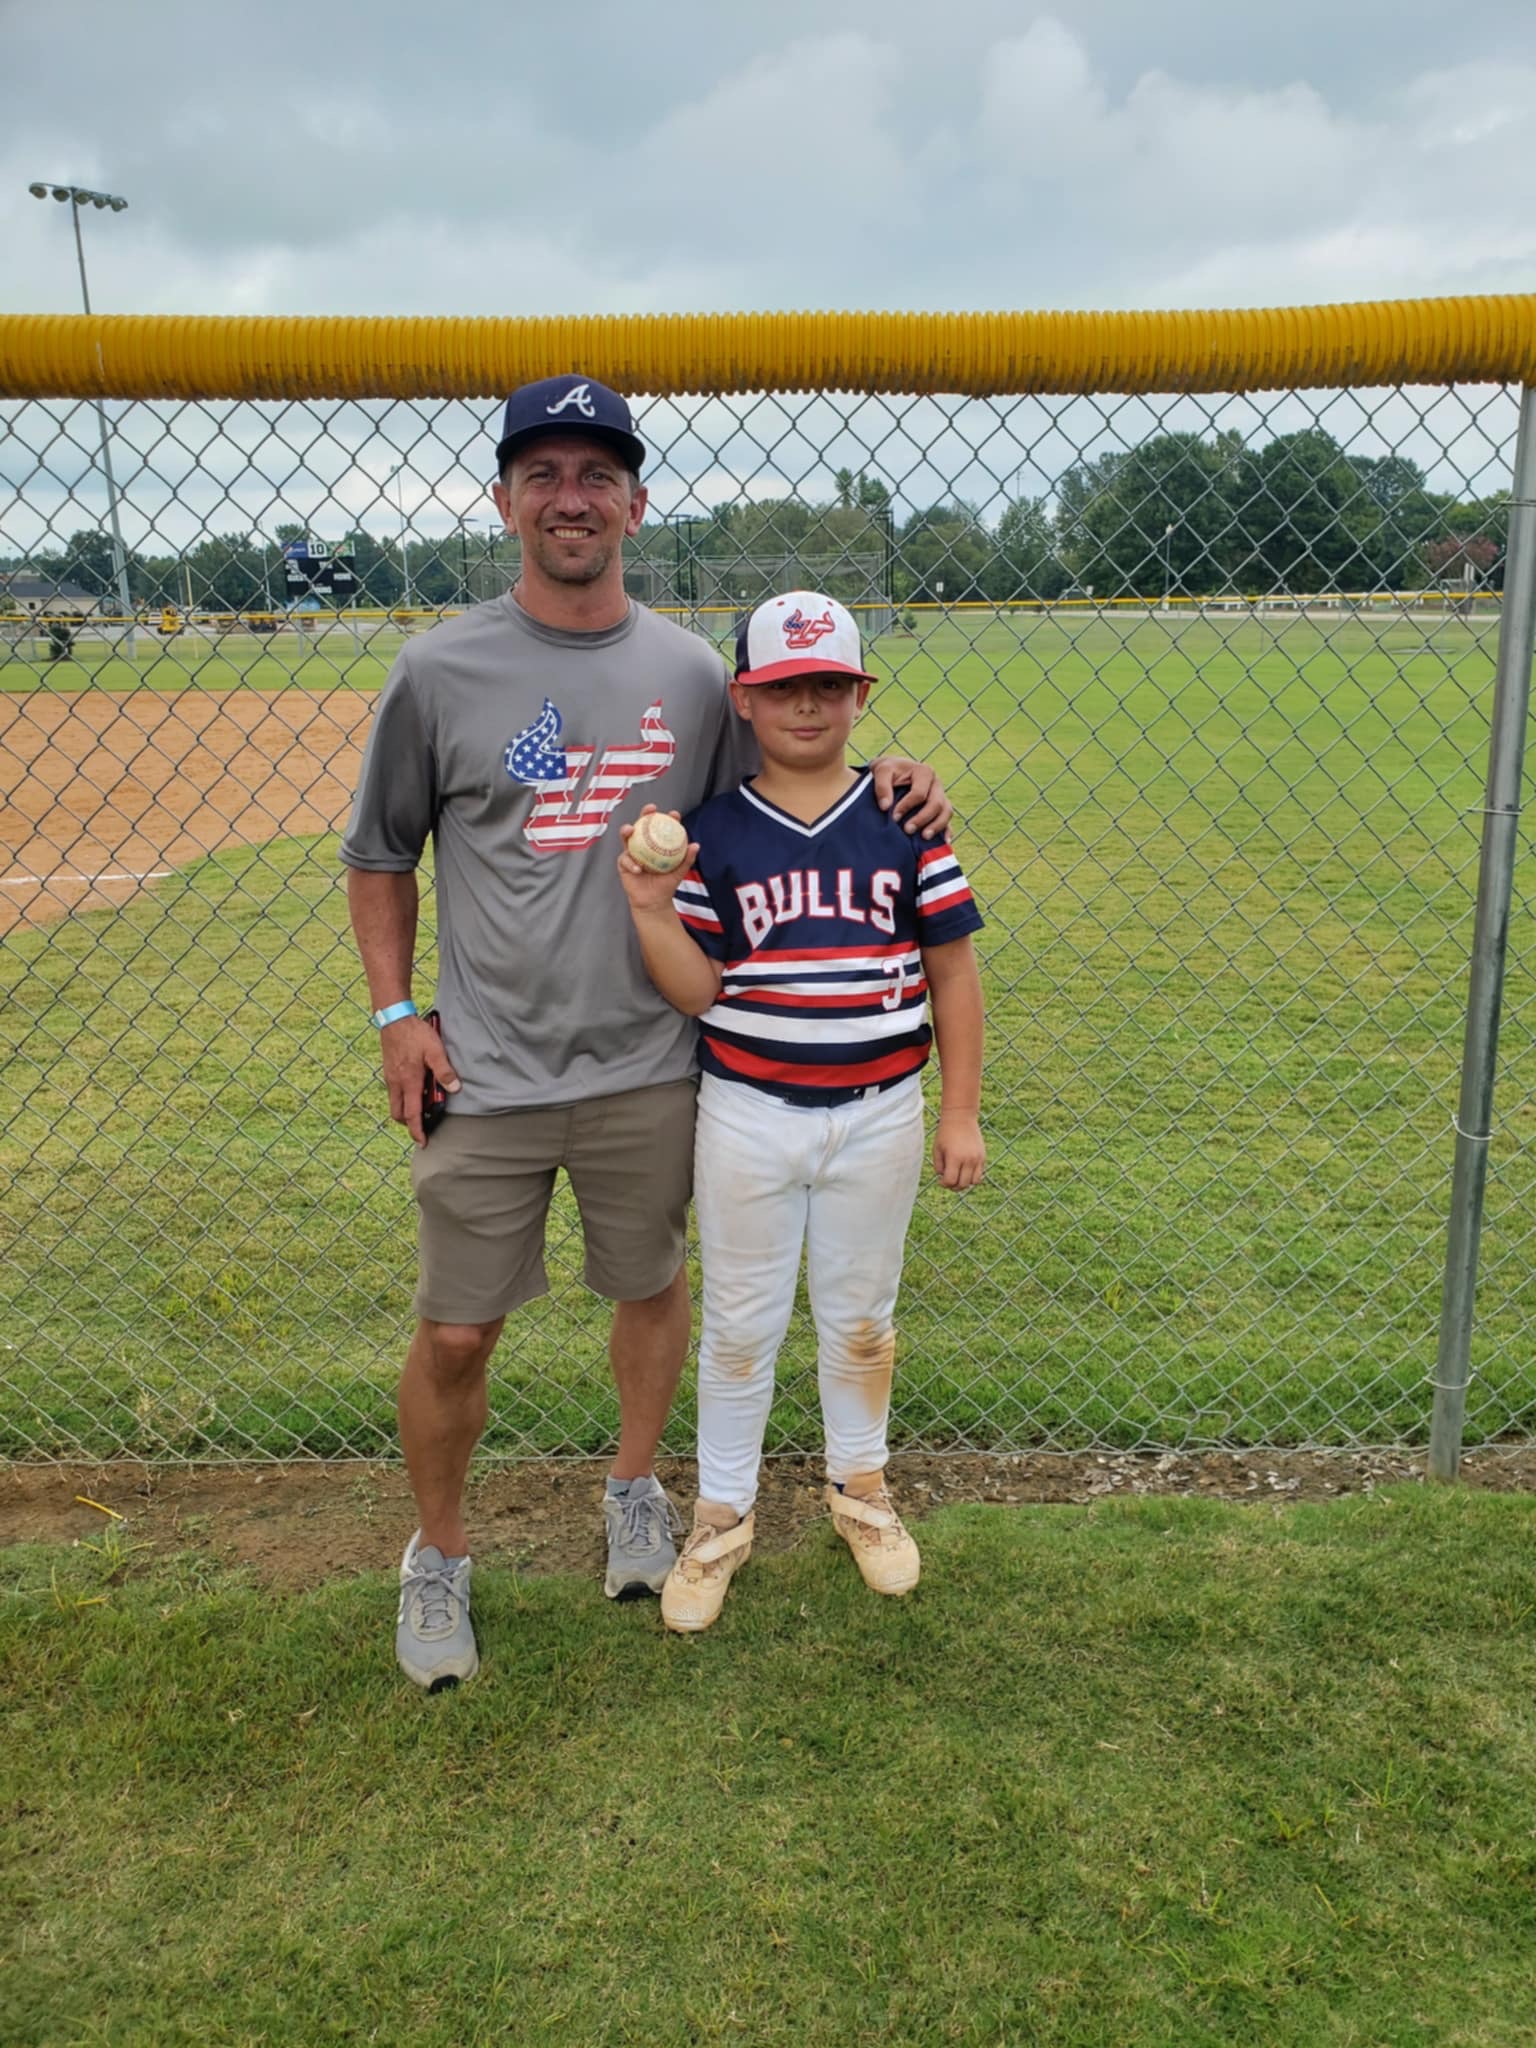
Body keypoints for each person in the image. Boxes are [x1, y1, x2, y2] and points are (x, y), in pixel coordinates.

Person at [340, 377, 952, 1690]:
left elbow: (790, 788)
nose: (571, 498)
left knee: (653, 1290)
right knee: (456, 1331)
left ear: (636, 502)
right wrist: (395, 1015)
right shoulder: (439, 670)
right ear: (504, 499)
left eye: (597, 475)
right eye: (544, 473)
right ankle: (438, 1554)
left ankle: (634, 1490)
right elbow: (380, 854)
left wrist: (896, 777)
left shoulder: (689, 673)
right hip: (486, 1066)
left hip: (659, 1064)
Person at [616, 590, 986, 1633]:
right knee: (740, 1324)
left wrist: (960, 1112)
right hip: (747, 1111)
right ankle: (722, 1514)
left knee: (862, 1317)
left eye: (829, 684)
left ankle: (860, 1489)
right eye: (785, 687)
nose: (808, 705)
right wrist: (650, 908)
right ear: (744, 699)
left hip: (881, 1109)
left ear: (862, 695)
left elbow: (954, 975)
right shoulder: (714, 833)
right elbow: (697, 990)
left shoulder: (906, 822)